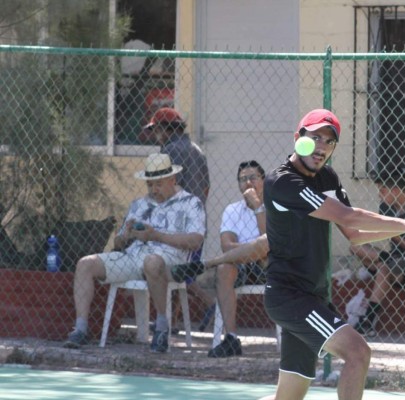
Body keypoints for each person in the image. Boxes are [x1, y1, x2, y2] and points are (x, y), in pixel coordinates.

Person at [260, 109, 405, 400]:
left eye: (329, 141)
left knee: (287, 398)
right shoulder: (282, 182)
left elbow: (355, 234)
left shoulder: (325, 177)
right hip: (289, 296)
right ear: (297, 139)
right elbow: (348, 217)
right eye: (315, 138)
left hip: (313, 296)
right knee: (358, 352)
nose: (322, 146)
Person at [63, 153, 205, 353]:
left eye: (158, 184)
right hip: (132, 257)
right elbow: (119, 242)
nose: (153, 190)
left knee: (152, 262)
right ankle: (80, 329)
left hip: (169, 259)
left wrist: (156, 236)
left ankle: (162, 327)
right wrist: (127, 234)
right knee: (85, 264)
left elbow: (195, 241)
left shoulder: (191, 203)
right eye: (150, 185)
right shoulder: (139, 204)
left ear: (172, 179)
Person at [143, 107, 214, 328]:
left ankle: (210, 302)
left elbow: (166, 188)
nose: (155, 135)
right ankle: (171, 321)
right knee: (180, 272)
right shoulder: (196, 150)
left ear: (166, 129)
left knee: (175, 273)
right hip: (196, 222)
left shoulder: (169, 152)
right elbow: (206, 187)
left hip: (175, 223)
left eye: (156, 130)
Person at [349, 171, 405, 337]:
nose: (380, 195)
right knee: (355, 246)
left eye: (382, 190)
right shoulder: (386, 208)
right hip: (393, 260)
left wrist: (394, 234)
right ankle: (382, 264)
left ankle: (368, 320)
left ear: (395, 190)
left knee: (384, 269)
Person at [208, 160, 268, 358]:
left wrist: (258, 207)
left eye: (253, 177)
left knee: (265, 248)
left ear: (264, 181)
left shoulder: (275, 206)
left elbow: (271, 243)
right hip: (240, 266)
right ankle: (231, 338)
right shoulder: (232, 210)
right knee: (224, 268)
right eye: (243, 179)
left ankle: (206, 264)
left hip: (268, 267)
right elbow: (227, 246)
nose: (248, 183)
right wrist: (253, 249)